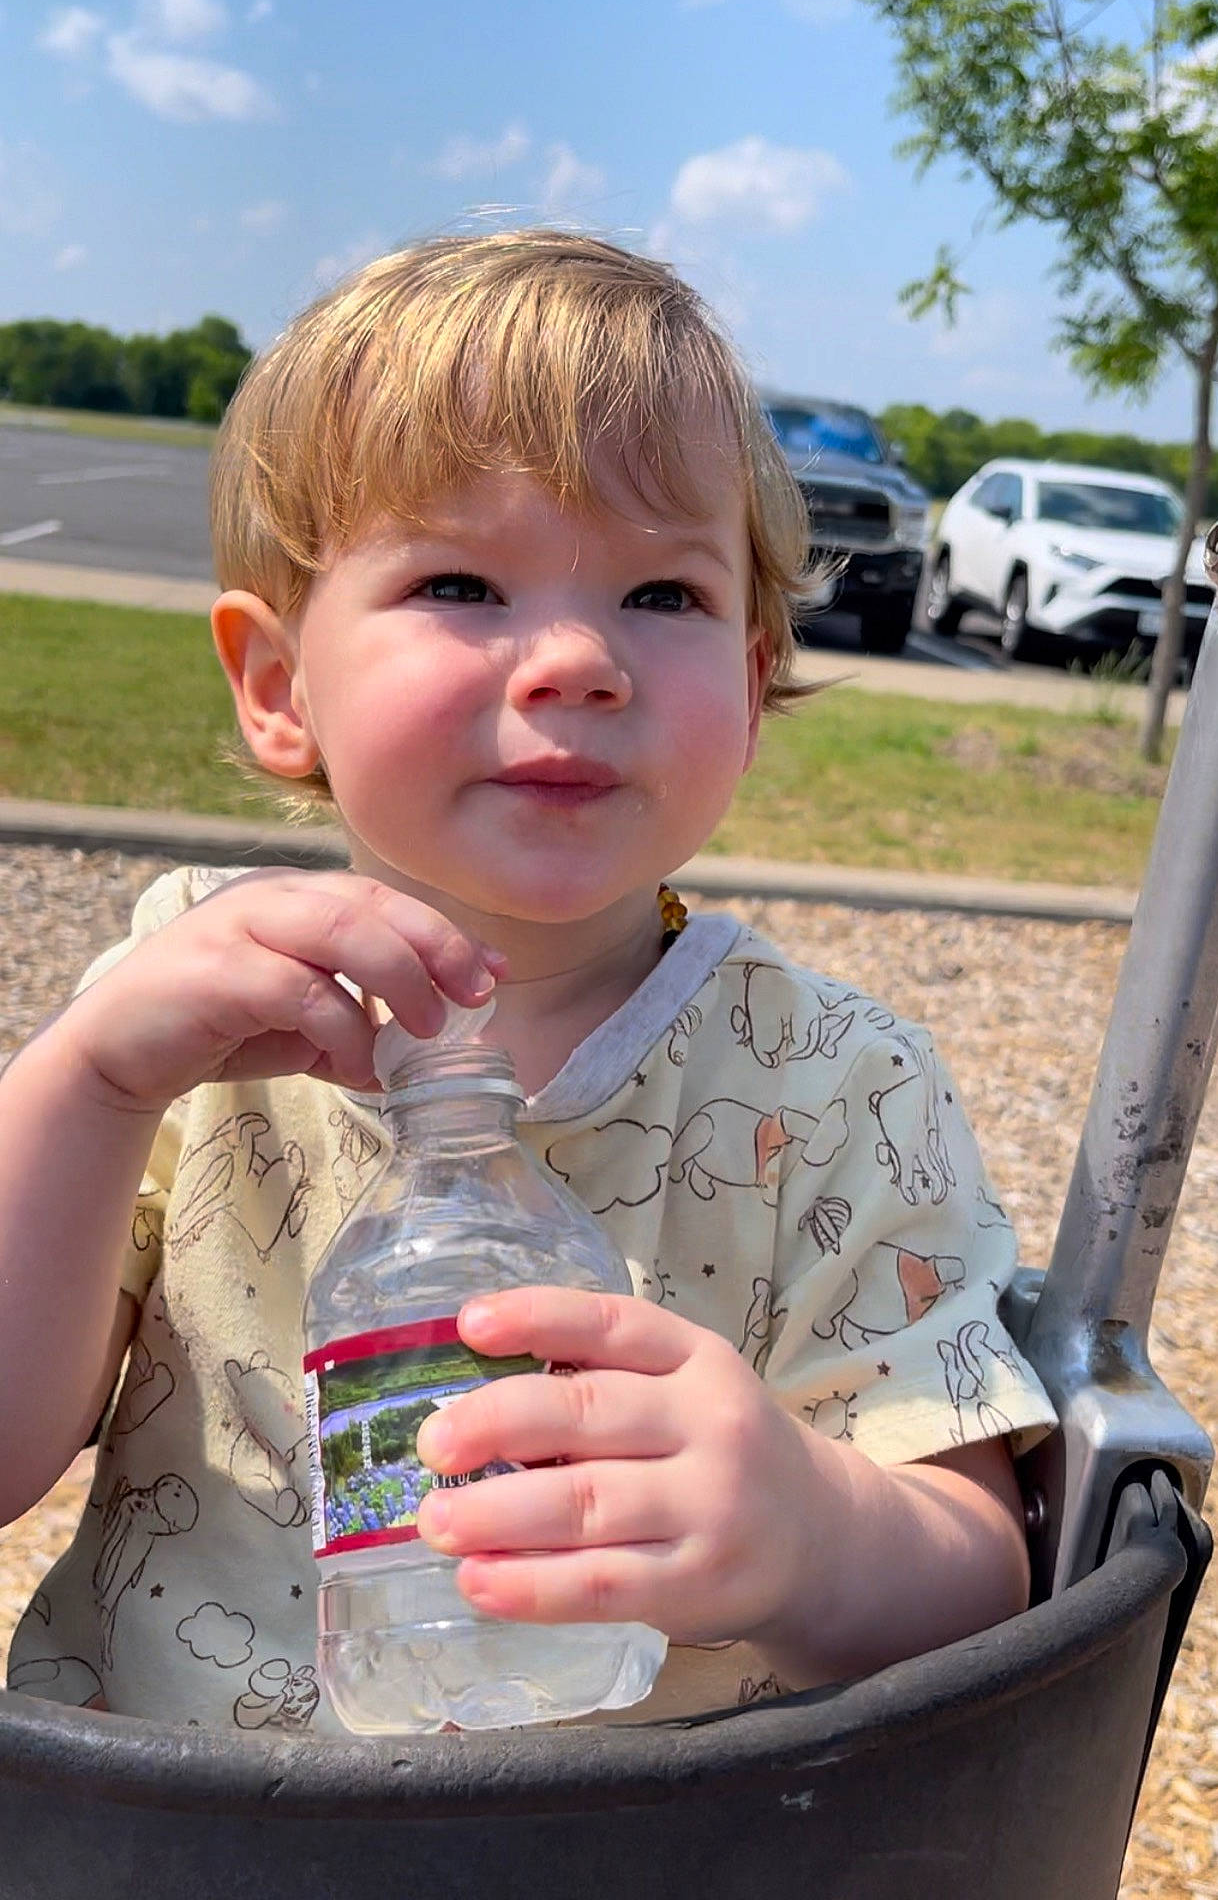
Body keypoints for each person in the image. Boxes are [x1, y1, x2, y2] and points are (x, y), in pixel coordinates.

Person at [0, 230, 1055, 1734]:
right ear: (278, 686)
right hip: (176, 1839)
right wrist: (87, 1086)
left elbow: (983, 1573)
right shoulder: (185, 1010)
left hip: (630, 1852)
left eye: (663, 598)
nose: (574, 660)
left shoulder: (830, 1082)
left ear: (754, 690)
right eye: (461, 580)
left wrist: (809, 1535)